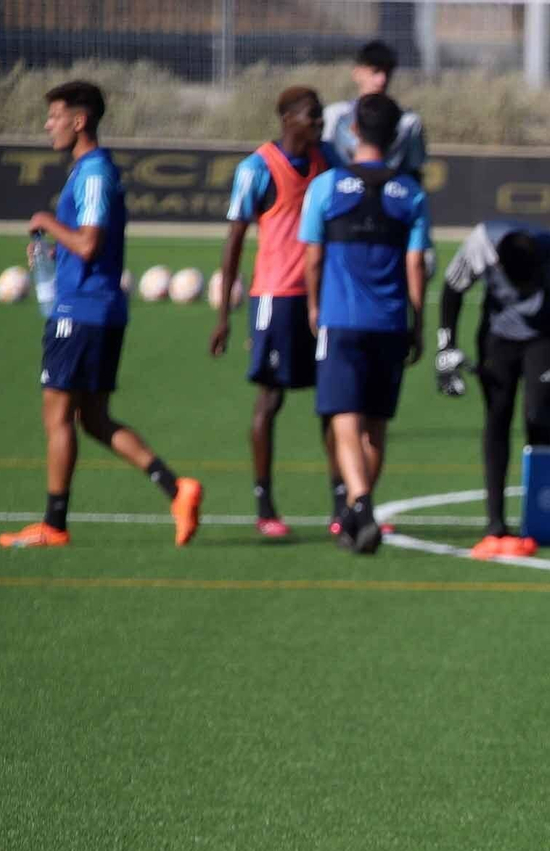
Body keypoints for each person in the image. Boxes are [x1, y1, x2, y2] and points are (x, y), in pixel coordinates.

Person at [0, 81, 203, 550]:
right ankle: (177, 490)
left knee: (58, 418)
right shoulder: (90, 172)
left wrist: (47, 222)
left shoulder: (92, 173)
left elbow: (90, 243)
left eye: (54, 116)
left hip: (82, 310)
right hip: (98, 308)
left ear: (79, 120)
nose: (48, 125)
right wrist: (54, 251)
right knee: (93, 418)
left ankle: (54, 524)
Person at [299, 93, 431, 555]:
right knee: (376, 425)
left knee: (344, 418)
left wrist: (313, 307)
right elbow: (417, 265)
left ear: (353, 129)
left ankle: (360, 504)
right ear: (396, 136)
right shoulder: (411, 194)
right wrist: (418, 321)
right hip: (391, 321)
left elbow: (312, 257)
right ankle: (357, 516)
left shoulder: (327, 187)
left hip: (342, 318)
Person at [209, 86, 338, 538]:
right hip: (275, 299)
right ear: (287, 118)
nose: (320, 124)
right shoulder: (257, 168)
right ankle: (265, 506)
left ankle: (343, 505)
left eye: (321, 117)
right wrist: (225, 314)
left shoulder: (329, 160)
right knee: (270, 400)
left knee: (333, 403)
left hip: (323, 299)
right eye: (312, 117)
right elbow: (234, 241)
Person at [436, 221, 550, 558]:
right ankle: (495, 526)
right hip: (497, 337)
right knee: (497, 418)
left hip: (546, 337)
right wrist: (446, 347)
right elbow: (451, 289)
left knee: (539, 415)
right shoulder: (481, 244)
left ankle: (539, 519)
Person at [322, 40, 428, 178]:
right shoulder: (334, 115)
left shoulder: (409, 122)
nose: (382, 80)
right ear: (356, 73)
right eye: (375, 72)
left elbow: (414, 170)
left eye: (387, 72)